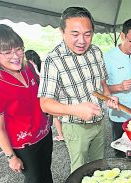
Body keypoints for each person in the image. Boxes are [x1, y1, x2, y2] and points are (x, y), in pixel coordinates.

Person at [0, 24, 63, 183]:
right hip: (23, 143)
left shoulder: (29, 69)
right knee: (33, 179)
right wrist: (11, 156)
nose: (15, 55)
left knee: (46, 170)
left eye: (18, 49)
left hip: (44, 132)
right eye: (7, 52)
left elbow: (41, 98)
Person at [37, 7, 118, 172]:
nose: (82, 41)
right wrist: (75, 110)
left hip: (99, 121)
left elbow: (102, 83)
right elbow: (45, 104)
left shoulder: (95, 52)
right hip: (75, 126)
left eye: (87, 34)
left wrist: (108, 96)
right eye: (75, 34)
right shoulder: (53, 60)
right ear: (62, 31)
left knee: (99, 164)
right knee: (79, 170)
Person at [25, 50, 64, 142]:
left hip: (44, 95)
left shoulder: (30, 68)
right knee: (58, 113)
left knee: (54, 116)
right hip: (54, 91)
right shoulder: (44, 65)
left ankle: (61, 135)